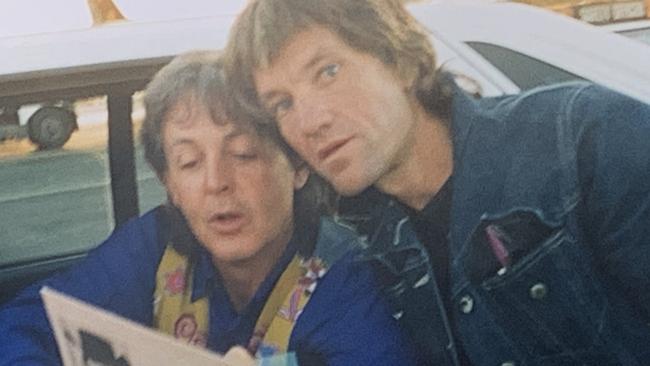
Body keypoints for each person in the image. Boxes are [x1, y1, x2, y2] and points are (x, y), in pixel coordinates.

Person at [223, 0, 650, 365]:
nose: (310, 121)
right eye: (282, 104)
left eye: (328, 71)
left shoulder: (580, 140)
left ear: (402, 61)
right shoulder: (365, 252)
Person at [0, 51, 418, 366]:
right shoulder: (154, 249)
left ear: (298, 165)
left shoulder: (348, 280)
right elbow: (26, 322)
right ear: (170, 186)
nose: (216, 181)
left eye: (243, 153)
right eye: (189, 162)